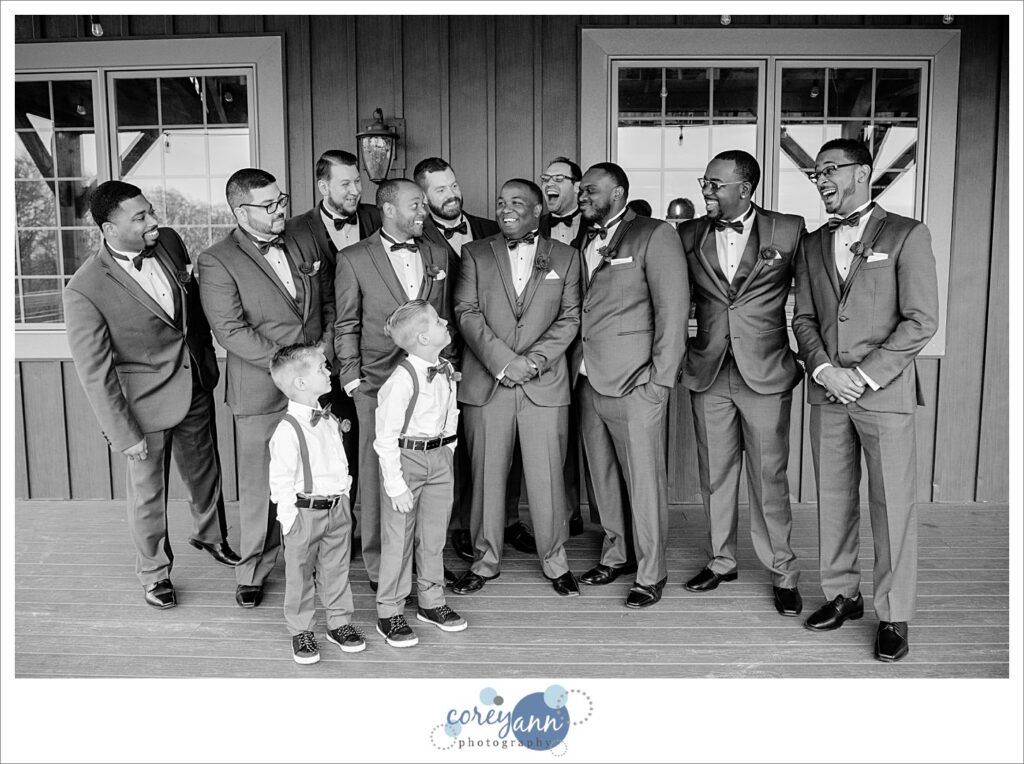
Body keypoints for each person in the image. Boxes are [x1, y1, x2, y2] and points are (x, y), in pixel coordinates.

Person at [792, 138, 938, 662]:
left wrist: (864, 375)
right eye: (816, 173)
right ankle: (842, 595)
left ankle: (894, 614)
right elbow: (803, 318)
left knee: (892, 505)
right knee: (833, 499)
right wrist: (825, 369)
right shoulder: (812, 243)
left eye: (830, 169)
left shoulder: (906, 233)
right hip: (828, 391)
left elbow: (921, 320)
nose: (822, 180)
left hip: (884, 393)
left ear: (863, 172)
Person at [64, 180, 238, 609]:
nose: (153, 221)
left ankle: (211, 536)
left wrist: (205, 360)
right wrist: (123, 434)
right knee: (148, 494)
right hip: (143, 405)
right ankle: (155, 573)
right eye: (140, 217)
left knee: (205, 470)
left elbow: (189, 311)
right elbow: (95, 372)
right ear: (109, 229)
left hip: (194, 382)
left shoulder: (170, 242)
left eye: (151, 211)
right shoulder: (84, 289)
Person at [198, 168, 334, 609]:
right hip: (260, 389)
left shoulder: (304, 239)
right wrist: (292, 366)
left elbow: (328, 301)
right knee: (261, 486)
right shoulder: (217, 260)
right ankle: (253, 570)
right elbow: (230, 330)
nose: (280, 210)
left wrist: (322, 351)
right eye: (269, 205)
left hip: (315, 385)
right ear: (241, 212)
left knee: (315, 475)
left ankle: (314, 560)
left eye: (281, 200)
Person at [677, 150, 805, 616]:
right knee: (715, 475)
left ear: (745, 189)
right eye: (704, 182)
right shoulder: (688, 234)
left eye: (715, 184)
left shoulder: (788, 230)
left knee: (769, 476)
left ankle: (783, 571)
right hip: (709, 370)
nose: (706, 191)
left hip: (766, 371)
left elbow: (812, 300)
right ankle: (721, 561)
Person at [451, 179, 582, 597]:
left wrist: (533, 362)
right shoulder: (475, 253)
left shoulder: (567, 256)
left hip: (544, 384)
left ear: (538, 209)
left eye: (517, 202)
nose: (506, 209)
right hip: (488, 383)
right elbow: (466, 312)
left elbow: (571, 317)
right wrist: (505, 362)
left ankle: (555, 561)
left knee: (548, 479)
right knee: (487, 478)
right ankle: (484, 561)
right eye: (501, 202)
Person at [572, 162, 689, 609]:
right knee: (602, 477)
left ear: (618, 192)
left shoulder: (654, 235)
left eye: (591, 190)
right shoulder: (584, 238)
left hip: (637, 382)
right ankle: (616, 554)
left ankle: (651, 571)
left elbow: (672, 312)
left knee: (643, 482)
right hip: (587, 378)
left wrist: (660, 381)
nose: (583, 197)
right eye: (582, 190)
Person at [334, 178, 458, 592]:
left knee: (430, 475)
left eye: (423, 204)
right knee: (377, 479)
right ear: (388, 210)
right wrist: (352, 379)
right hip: (375, 381)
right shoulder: (354, 258)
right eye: (415, 205)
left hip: (429, 379)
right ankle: (380, 566)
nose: (423, 211)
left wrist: (447, 369)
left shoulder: (437, 252)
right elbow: (346, 323)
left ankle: (427, 567)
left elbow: (443, 315)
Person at [413, 156, 533, 559]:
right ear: (423, 197)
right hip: (445, 359)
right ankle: (464, 525)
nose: (452, 194)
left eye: (453, 185)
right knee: (458, 448)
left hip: (494, 356)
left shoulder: (489, 228)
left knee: (507, 446)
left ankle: (508, 520)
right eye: (440, 190)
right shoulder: (419, 236)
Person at [285, 150, 384, 496]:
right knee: (333, 450)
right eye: (345, 184)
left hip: (373, 353)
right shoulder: (295, 230)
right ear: (323, 187)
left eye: (358, 181)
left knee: (380, 445)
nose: (355, 190)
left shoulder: (378, 217)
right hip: (322, 358)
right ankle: (340, 522)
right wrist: (320, 352)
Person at [373, 300, 468, 647]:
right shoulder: (402, 380)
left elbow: (451, 414)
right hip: (406, 460)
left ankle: (431, 600)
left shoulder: (444, 369)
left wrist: (448, 450)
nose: (445, 321)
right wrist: (395, 484)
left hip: (439, 458)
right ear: (424, 338)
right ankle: (390, 610)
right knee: (398, 538)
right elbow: (385, 437)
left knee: (433, 535)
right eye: (437, 321)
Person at [268, 343, 363, 664]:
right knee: (300, 574)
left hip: (336, 508)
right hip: (304, 513)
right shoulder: (287, 430)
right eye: (322, 368)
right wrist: (289, 520)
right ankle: (301, 629)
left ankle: (339, 622)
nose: (329, 371)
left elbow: (338, 461)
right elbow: (280, 480)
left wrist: (345, 494)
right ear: (301, 382)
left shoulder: (328, 418)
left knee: (337, 568)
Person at [539, 156, 584, 247]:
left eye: (558, 179)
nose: (549, 184)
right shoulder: (535, 225)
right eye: (545, 179)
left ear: (576, 187)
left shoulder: (593, 225)